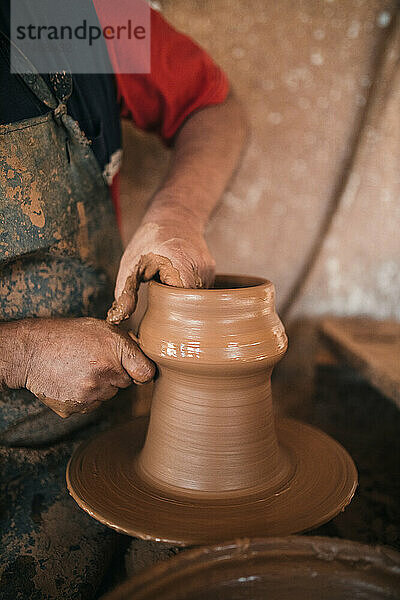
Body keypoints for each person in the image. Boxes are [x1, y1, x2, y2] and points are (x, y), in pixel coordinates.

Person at [0, 2, 247, 598]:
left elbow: (214, 107)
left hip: (96, 429)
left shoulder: (68, 20)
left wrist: (177, 213)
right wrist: (23, 355)